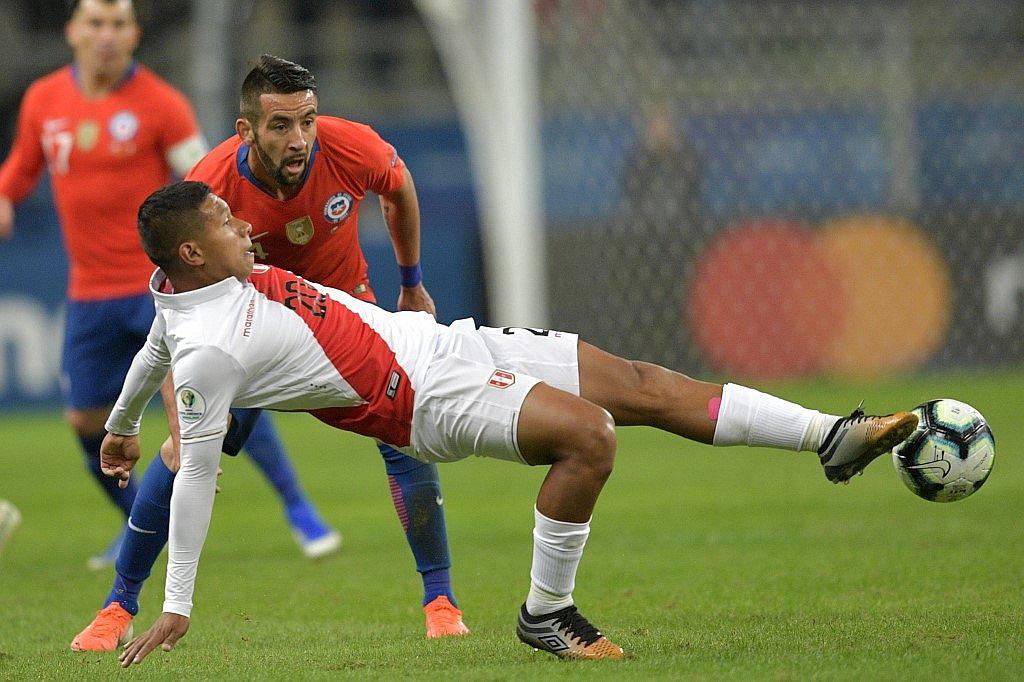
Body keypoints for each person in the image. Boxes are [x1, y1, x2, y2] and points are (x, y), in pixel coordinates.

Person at [107, 182, 918, 664]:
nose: (243, 224)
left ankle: (830, 438)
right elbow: (200, 472)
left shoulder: (178, 293)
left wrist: (119, 424)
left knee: (644, 385)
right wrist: (177, 603)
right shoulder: (212, 350)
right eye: (223, 221)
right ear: (191, 255)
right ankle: (546, 614)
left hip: (450, 342)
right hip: (424, 400)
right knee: (591, 436)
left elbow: (154, 341)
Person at [70, 54, 467, 649]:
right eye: (280, 125)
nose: (300, 138)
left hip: (345, 317)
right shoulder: (210, 194)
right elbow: (182, 307)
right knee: (183, 454)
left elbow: (398, 186)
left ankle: (441, 600)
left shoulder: (349, 146)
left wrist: (411, 283)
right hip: (252, 330)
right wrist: (182, 409)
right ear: (246, 130)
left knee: (404, 432)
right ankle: (117, 607)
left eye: (307, 120)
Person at [0, 0, 337, 589]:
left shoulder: (160, 103)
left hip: (161, 287)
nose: (106, 35)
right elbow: (21, 171)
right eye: (96, 23)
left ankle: (300, 510)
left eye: (118, 24)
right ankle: (137, 524)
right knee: (85, 419)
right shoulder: (44, 101)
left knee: (209, 401)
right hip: (89, 295)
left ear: (133, 35)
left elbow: (205, 183)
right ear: (72, 31)